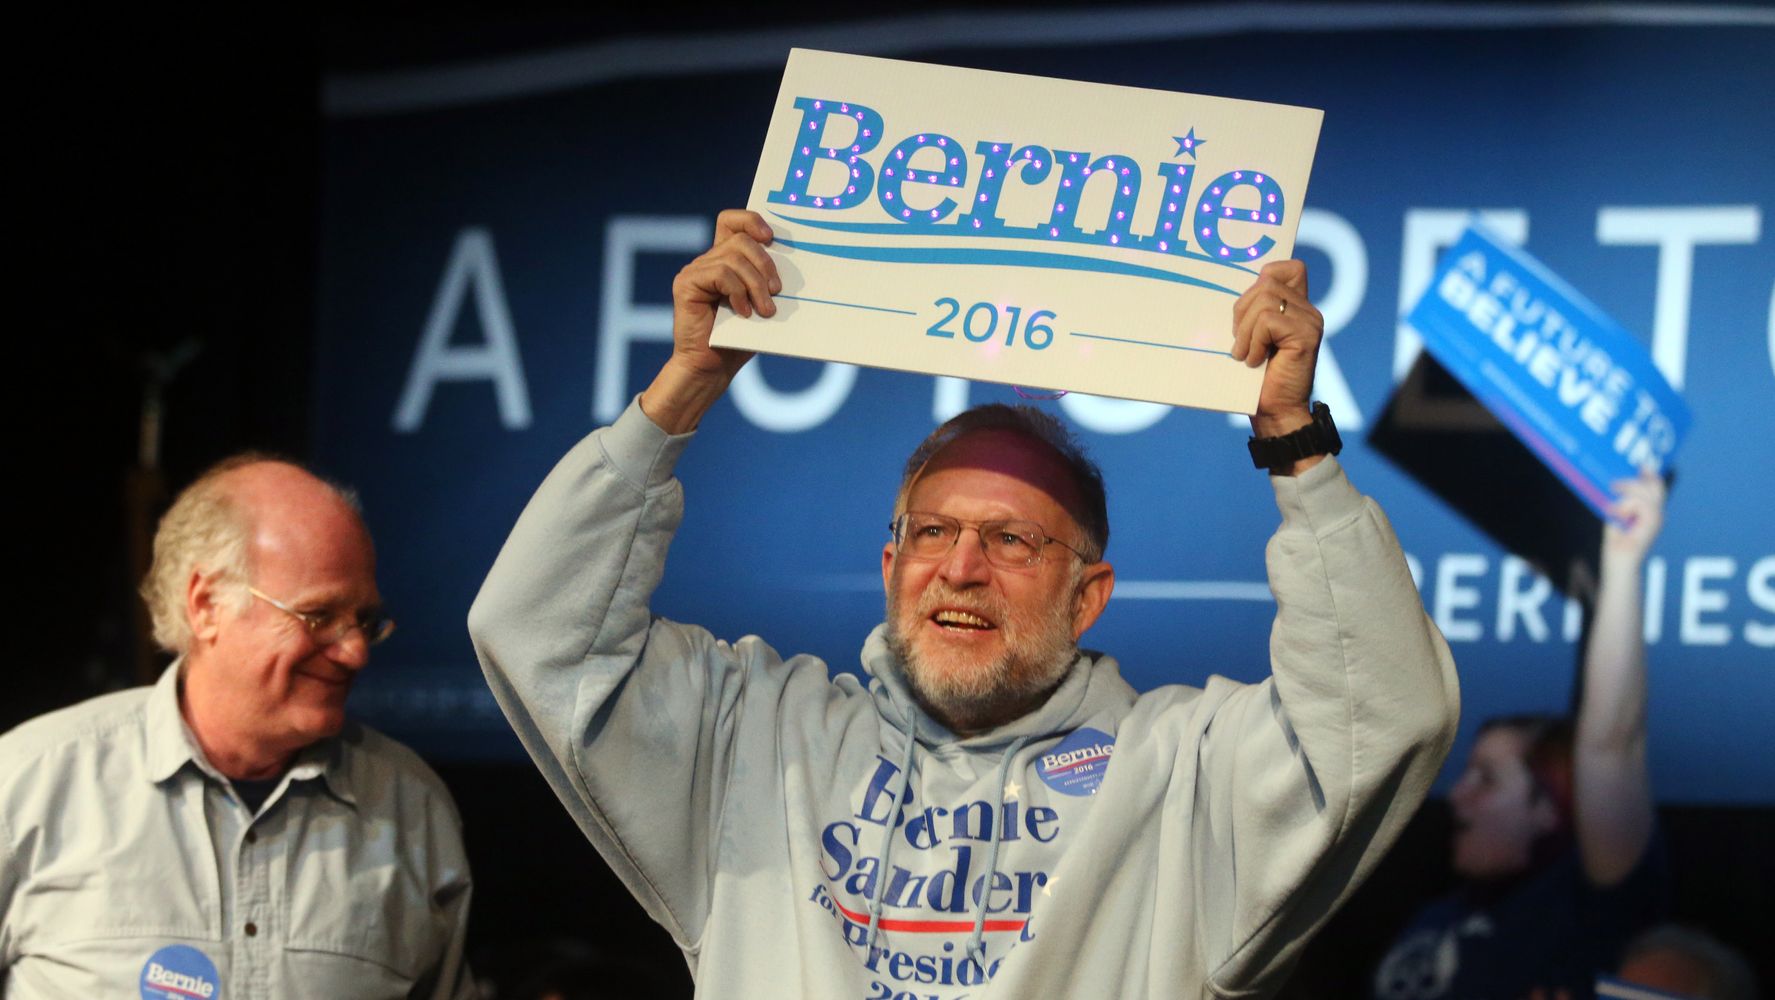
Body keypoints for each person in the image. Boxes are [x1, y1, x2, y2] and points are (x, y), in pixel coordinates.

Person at [470, 209, 1460, 999]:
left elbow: (1383, 712)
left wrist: (1291, 435)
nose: (961, 566)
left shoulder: (1181, 776)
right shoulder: (755, 743)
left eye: (1013, 541)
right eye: (931, 532)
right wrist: (682, 388)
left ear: (1088, 596)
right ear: (890, 560)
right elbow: (533, 629)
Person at [0, 455, 476, 999]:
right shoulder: (28, 786)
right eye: (318, 616)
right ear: (206, 606)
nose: (354, 652)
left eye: (364, 621)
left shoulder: (411, 809)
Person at [1372, 472, 1670, 999]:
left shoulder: (1583, 907)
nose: (1457, 795)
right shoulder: (1436, 915)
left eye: (1486, 779)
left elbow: (1610, 744)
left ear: (1550, 809)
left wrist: (1622, 564)